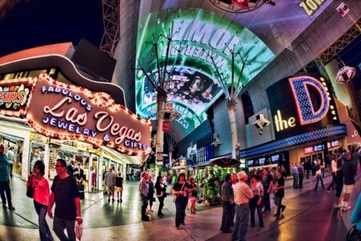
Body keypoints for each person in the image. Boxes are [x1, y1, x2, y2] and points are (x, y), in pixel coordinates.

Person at [48, 159, 82, 241]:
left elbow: (77, 198)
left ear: (64, 168)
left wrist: (78, 215)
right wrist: (49, 208)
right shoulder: (56, 179)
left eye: (57, 166)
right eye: (55, 166)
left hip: (70, 214)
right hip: (58, 212)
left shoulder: (71, 180)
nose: (56, 168)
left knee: (71, 233)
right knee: (56, 229)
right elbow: (53, 194)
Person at [28, 161, 53, 241]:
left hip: (44, 204)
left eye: (38, 168)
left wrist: (49, 207)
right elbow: (30, 187)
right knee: (43, 221)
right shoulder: (33, 178)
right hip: (36, 202)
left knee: (41, 221)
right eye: (35, 167)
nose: (36, 169)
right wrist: (30, 179)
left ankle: (46, 239)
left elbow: (48, 194)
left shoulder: (44, 181)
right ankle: (48, 236)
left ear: (41, 170)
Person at [232, 171, 253, 241]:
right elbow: (251, 196)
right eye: (246, 176)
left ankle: (234, 237)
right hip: (243, 206)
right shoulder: (245, 186)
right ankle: (241, 239)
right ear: (243, 177)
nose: (247, 177)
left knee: (237, 222)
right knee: (244, 223)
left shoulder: (236, 185)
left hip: (237, 206)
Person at [342, 146, 358, 211]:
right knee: (348, 193)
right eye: (349, 155)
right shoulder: (351, 163)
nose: (350, 156)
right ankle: (345, 207)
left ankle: (343, 205)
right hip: (349, 180)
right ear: (348, 156)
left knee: (346, 193)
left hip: (345, 180)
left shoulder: (344, 163)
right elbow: (354, 172)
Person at [0, 144, 14, 210]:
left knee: (8, 192)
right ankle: (4, 202)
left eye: (2, 148)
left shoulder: (5, 155)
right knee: (2, 192)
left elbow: (7, 163)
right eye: (1, 148)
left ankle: (10, 205)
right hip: (0, 179)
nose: (2, 149)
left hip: (6, 178)